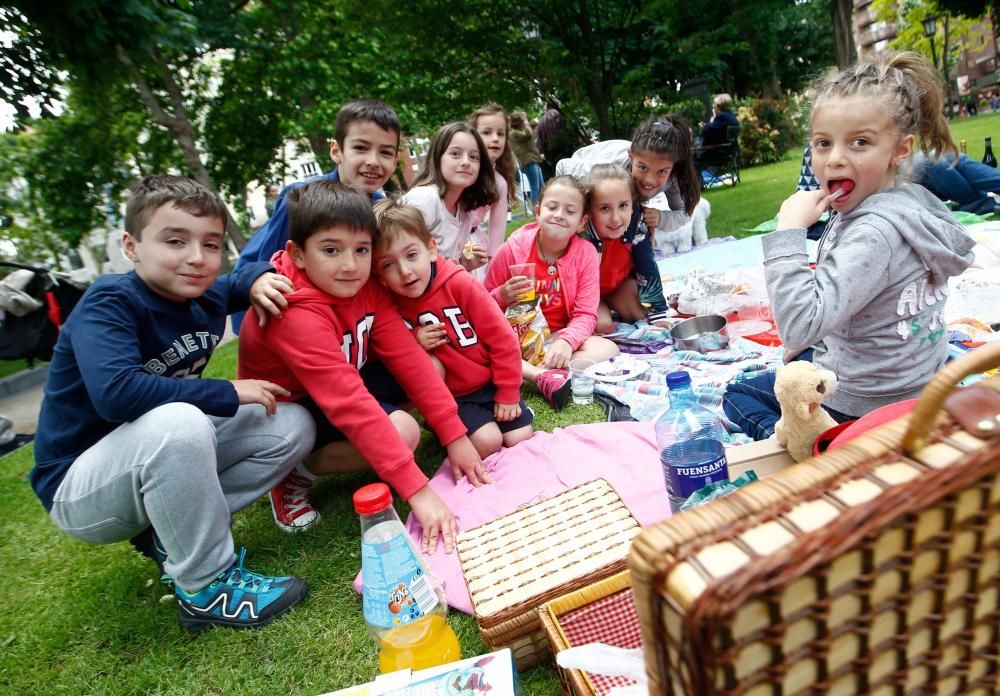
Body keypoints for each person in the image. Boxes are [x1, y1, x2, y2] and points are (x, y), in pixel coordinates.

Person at [29, 175, 316, 633]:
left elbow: (236, 278)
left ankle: (172, 536)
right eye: (175, 240)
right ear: (132, 245)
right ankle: (206, 587)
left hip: (151, 455)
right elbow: (117, 394)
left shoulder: (203, 292)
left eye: (211, 243)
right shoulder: (109, 301)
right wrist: (225, 392)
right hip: (78, 484)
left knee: (290, 423)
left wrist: (258, 275)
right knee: (180, 422)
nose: (196, 258)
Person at [723, 52, 976, 441]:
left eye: (860, 142)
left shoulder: (873, 233)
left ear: (900, 150)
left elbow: (797, 328)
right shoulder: (913, 202)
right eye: (823, 144)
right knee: (793, 364)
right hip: (921, 383)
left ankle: (827, 448)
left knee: (738, 395)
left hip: (865, 403)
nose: (835, 159)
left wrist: (788, 231)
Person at [237, 181, 485, 553]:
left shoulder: (364, 285)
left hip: (341, 382)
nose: (350, 265)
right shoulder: (293, 310)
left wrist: (455, 434)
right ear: (298, 254)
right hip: (289, 409)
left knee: (429, 368)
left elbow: (407, 357)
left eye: (361, 250)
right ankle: (293, 473)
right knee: (402, 433)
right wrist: (419, 492)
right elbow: (348, 402)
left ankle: (373, 450)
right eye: (331, 250)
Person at [372, 198, 533, 459]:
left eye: (412, 255)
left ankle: (498, 413)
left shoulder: (459, 283)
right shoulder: (389, 303)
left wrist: (508, 392)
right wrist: (413, 340)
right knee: (488, 442)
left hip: (490, 382)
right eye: (388, 265)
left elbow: (503, 339)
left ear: (431, 249)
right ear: (379, 275)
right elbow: (385, 349)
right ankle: (440, 425)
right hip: (453, 397)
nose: (405, 271)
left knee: (520, 438)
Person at [231, 99, 401, 333]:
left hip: (355, 326)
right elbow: (263, 263)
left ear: (394, 160)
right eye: (361, 148)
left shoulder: (382, 208)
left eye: (385, 152)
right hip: (297, 327)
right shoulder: (301, 199)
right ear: (336, 151)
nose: (373, 161)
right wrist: (256, 284)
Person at [484, 175, 620, 409]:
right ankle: (541, 375)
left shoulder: (585, 253)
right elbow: (481, 306)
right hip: (515, 338)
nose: (559, 214)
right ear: (538, 212)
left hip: (557, 338)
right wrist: (501, 295)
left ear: (581, 221)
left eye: (570, 211)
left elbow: (586, 314)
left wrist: (566, 342)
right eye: (552, 207)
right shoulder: (511, 250)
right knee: (484, 351)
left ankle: (530, 374)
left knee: (608, 349)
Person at [555, 114, 703, 271]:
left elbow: (684, 212)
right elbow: (563, 166)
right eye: (643, 168)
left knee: (635, 241)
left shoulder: (673, 178)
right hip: (584, 180)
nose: (650, 180)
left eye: (661, 171)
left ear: (673, 167)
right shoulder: (608, 171)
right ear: (631, 157)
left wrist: (661, 218)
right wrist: (575, 212)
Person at [582, 163, 669, 332]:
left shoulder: (635, 225)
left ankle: (614, 304)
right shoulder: (581, 235)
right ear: (590, 210)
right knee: (601, 325)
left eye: (623, 206)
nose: (616, 219)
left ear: (632, 204)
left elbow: (647, 267)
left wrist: (658, 314)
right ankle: (602, 309)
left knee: (645, 314)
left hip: (618, 286)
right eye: (604, 208)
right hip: (587, 295)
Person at [402, 122, 498, 276]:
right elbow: (401, 262)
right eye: (455, 154)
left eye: (474, 157)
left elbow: (444, 269)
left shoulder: (465, 211)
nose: (466, 162)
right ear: (437, 157)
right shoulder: (424, 200)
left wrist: (464, 263)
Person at [469, 104, 519, 265]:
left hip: (475, 246)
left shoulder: (500, 183)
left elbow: (497, 225)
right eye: (487, 132)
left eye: (501, 134)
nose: (496, 138)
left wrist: (493, 260)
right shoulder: (462, 171)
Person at [509, 111, 544, 206]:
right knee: (535, 187)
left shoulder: (518, 131)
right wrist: (527, 122)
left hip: (533, 160)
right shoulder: (514, 133)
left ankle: (542, 206)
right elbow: (528, 135)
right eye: (523, 120)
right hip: (528, 161)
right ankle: (536, 209)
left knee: (541, 186)